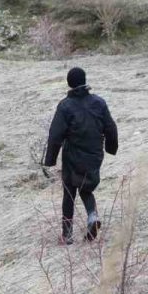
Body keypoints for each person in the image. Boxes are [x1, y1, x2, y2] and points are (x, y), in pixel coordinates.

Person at [44, 67, 119, 245]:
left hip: (72, 155)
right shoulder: (99, 103)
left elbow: (55, 135)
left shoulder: (65, 106)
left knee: (69, 192)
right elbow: (111, 128)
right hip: (94, 154)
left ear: (69, 83)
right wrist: (110, 147)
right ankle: (92, 216)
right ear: (85, 81)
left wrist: (50, 159)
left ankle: (67, 234)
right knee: (86, 187)